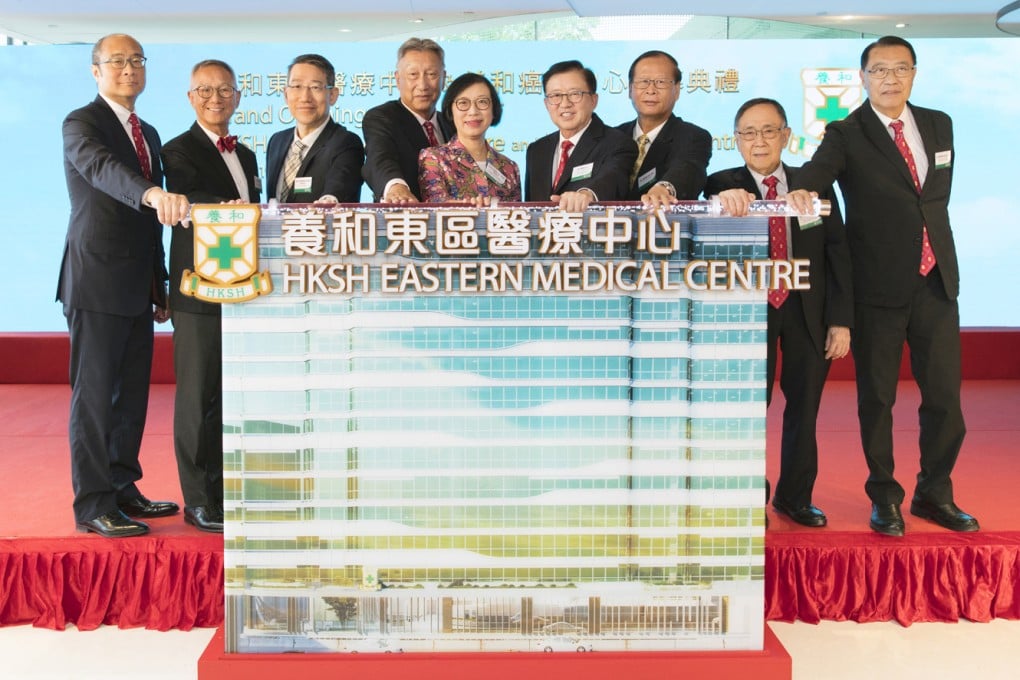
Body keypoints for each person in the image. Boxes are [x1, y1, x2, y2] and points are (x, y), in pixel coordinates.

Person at [786, 36, 978, 536]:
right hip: (876, 284)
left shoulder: (939, 123)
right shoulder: (847, 132)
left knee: (945, 400)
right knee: (878, 399)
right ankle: (885, 497)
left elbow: (931, 198)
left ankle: (934, 493)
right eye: (879, 70)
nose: (890, 78)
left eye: (900, 68)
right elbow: (816, 171)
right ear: (863, 77)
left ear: (914, 73)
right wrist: (803, 187)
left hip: (936, 280)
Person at [57, 33, 190, 538]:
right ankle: (93, 503)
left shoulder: (148, 132)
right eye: (117, 61)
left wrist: (159, 281)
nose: (129, 69)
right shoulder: (81, 123)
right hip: (95, 280)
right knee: (93, 396)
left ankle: (121, 485)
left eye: (137, 60)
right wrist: (153, 191)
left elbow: (148, 222)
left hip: (138, 282)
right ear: (96, 71)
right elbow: (103, 172)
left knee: (130, 394)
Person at [706, 98, 853, 528]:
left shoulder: (814, 182)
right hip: (748, 316)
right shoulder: (720, 182)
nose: (759, 141)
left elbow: (838, 252)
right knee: (750, 410)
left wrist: (841, 320)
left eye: (769, 131)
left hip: (807, 310)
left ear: (786, 136)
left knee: (804, 408)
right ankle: (750, 495)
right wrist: (719, 200)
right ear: (736, 141)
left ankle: (795, 497)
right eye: (748, 133)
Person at [160, 60, 261, 533]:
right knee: (196, 397)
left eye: (224, 90)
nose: (215, 98)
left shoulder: (246, 155)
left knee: (229, 397)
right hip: (197, 289)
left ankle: (223, 491)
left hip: (243, 289)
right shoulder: (177, 149)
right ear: (190, 97)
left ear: (238, 96)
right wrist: (226, 210)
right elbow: (189, 195)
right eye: (204, 90)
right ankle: (198, 499)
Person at [525, 60, 637, 212]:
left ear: (593, 100)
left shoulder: (618, 143)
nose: (565, 103)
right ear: (546, 104)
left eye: (575, 94)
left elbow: (612, 178)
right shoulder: (537, 150)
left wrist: (586, 194)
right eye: (556, 95)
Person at [617, 50, 712, 207]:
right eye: (643, 82)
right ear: (630, 90)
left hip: (664, 227)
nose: (651, 90)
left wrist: (665, 188)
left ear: (677, 90)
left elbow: (688, 168)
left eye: (661, 82)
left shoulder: (693, 136)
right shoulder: (613, 136)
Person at [266, 53, 363, 203]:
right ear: (286, 94)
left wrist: (329, 201)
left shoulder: (346, 143)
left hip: (321, 226)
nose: (305, 97)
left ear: (332, 95)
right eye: (297, 86)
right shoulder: (276, 141)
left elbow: (340, 183)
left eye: (315, 87)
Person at [363, 38, 452, 202]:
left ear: (443, 78)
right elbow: (380, 158)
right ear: (397, 79)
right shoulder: (382, 118)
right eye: (413, 75)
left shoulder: (453, 123)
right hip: (404, 221)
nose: (423, 85)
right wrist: (396, 188)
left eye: (431, 74)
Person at [418, 73, 521, 205]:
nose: (473, 111)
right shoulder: (434, 158)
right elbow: (436, 208)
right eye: (463, 103)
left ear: (494, 110)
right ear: (451, 110)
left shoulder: (509, 168)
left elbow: (516, 218)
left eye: (482, 102)